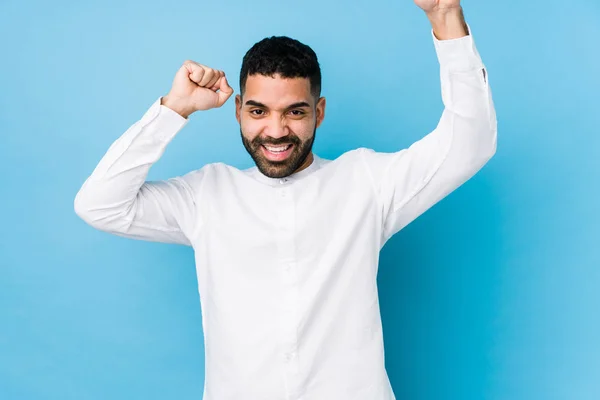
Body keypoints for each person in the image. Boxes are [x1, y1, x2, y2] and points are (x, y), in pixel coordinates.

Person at [74, 0, 496, 398]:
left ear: (320, 111)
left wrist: (445, 17)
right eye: (258, 111)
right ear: (238, 109)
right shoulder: (205, 195)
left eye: (294, 111)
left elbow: (470, 143)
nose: (275, 131)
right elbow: (100, 205)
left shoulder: (367, 182)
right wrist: (174, 110)